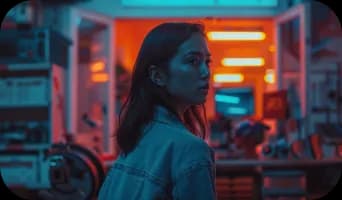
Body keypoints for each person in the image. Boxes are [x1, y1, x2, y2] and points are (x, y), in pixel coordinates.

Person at [98, 22, 216, 200]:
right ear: (158, 76)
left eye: (207, 62)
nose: (206, 72)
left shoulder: (139, 136)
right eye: (193, 61)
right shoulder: (190, 149)